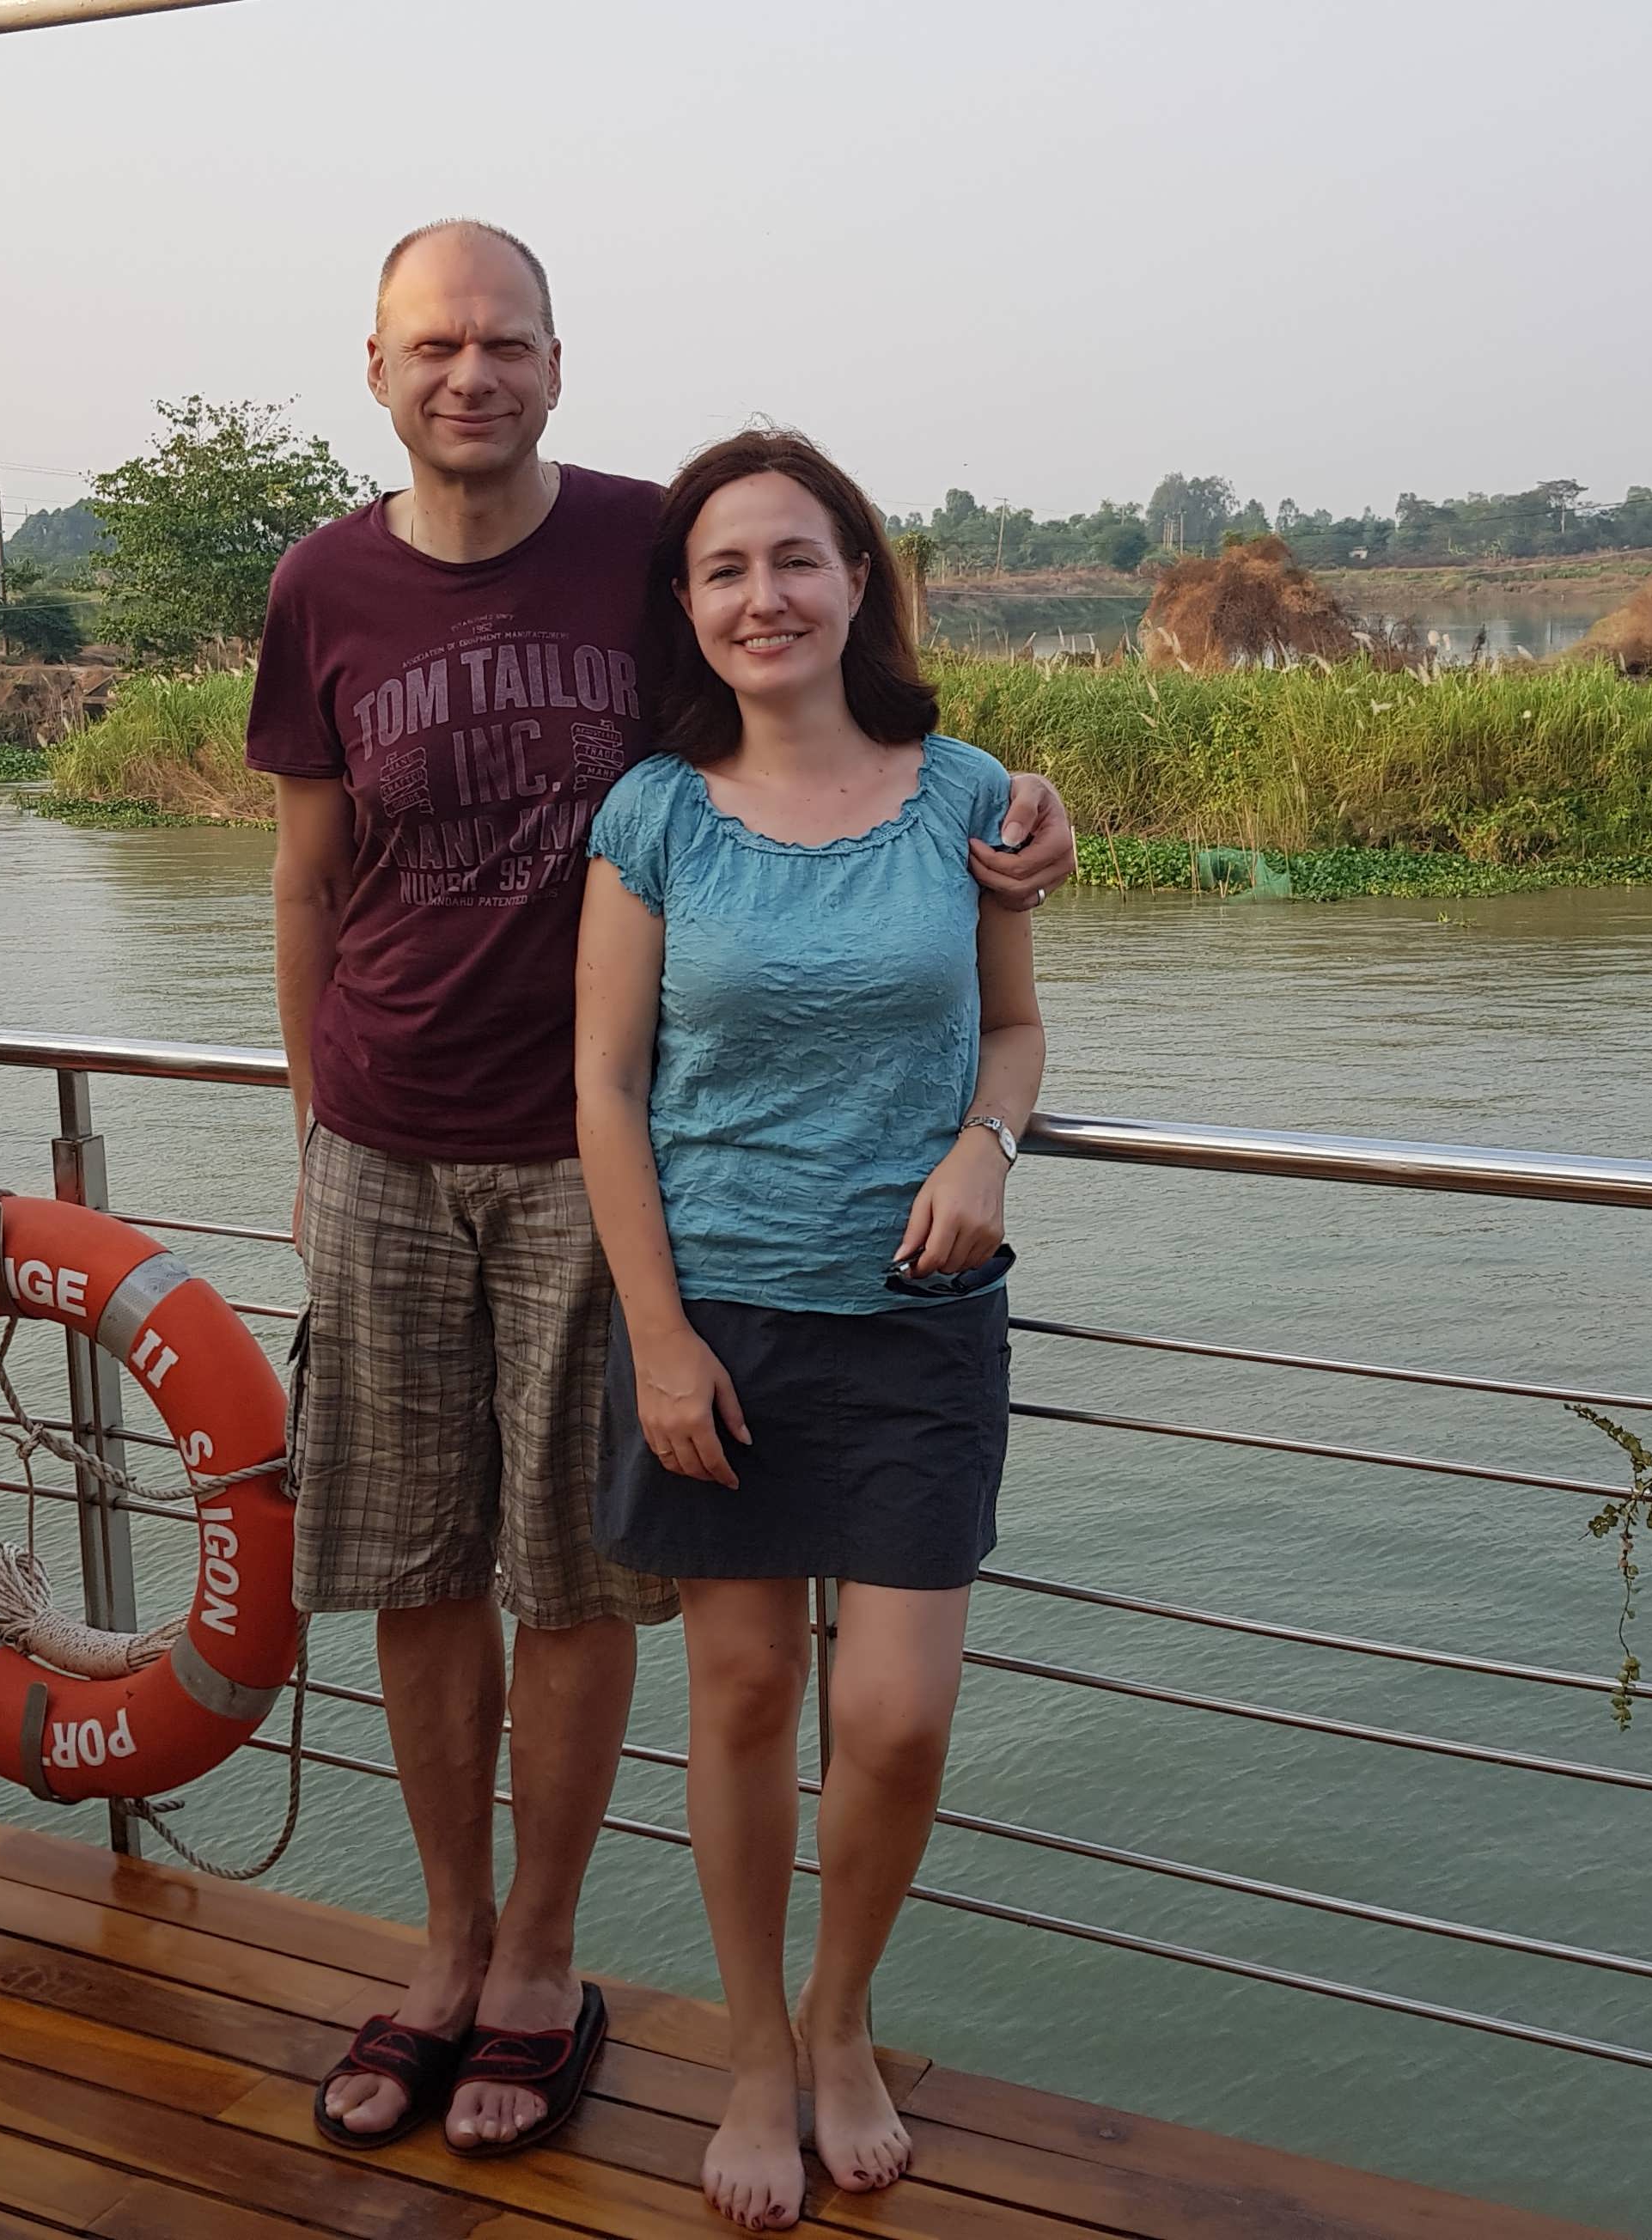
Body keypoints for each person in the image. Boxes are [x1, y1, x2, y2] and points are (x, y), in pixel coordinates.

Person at [246, 218, 1076, 2161]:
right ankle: (448, 1950)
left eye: (505, 339)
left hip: (610, 1167)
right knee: (417, 1574)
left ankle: (544, 1965)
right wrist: (303, 1129)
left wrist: (1023, 807)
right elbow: (302, 877)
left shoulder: (645, 541)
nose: (470, 373)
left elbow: (838, 703)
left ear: (556, 359)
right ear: (375, 365)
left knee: (581, 1586)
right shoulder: (322, 583)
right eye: (432, 343)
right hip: (385, 1132)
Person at [575, 429, 1045, 2231]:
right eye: (720, 570)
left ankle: (846, 2015)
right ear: (687, 609)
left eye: (793, 557)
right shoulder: (656, 814)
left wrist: (983, 1145)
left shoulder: (965, 793)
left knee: (898, 1713)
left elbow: (1009, 1032)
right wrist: (659, 1333)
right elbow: (604, 1086)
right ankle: (758, 2045)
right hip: (714, 1312)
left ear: (856, 578)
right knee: (747, 1688)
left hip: (917, 1318)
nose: (758, 596)